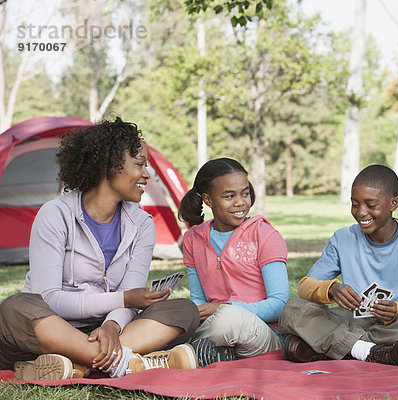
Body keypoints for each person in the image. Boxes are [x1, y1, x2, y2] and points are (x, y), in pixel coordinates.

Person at [0, 118, 200, 380]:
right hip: (51, 324)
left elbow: (132, 292)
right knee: (16, 307)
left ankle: (79, 363)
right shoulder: (55, 214)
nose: (147, 174)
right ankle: (124, 362)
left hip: (105, 330)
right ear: (109, 166)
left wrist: (112, 326)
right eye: (139, 164)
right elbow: (50, 299)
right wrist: (124, 300)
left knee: (184, 310)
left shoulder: (141, 224)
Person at [279, 165, 398, 366]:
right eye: (354, 204)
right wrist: (332, 289)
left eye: (371, 204)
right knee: (292, 310)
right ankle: (373, 351)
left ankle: (337, 346)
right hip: (353, 320)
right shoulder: (343, 238)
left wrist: (397, 310)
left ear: (394, 203)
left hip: (397, 324)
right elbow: (305, 286)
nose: (361, 212)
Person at [179, 158, 289, 366]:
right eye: (230, 196)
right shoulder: (193, 239)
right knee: (168, 314)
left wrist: (224, 308)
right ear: (208, 200)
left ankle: (179, 351)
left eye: (245, 193)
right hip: (213, 326)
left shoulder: (265, 235)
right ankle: (208, 354)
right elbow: (198, 299)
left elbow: (280, 304)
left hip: (263, 333)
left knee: (230, 321)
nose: (240, 202)